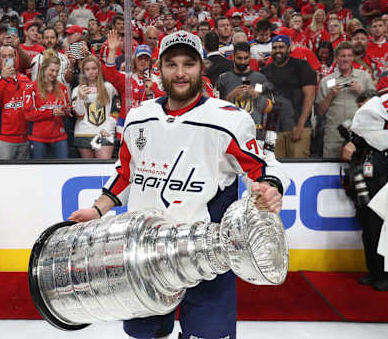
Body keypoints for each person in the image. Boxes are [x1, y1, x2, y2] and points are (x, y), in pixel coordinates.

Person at [69, 30, 289, 339]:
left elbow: (263, 167)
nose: (181, 72)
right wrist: (98, 209)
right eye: (171, 64)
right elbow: (126, 174)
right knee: (146, 334)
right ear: (159, 69)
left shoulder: (228, 119)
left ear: (202, 67)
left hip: (206, 256)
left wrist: (269, 186)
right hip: (143, 256)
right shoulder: (139, 116)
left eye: (189, 64)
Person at [344, 86, 388, 291]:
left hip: (385, 184)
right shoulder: (360, 137)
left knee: (382, 232)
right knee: (367, 232)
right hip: (364, 188)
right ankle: (374, 271)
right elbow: (350, 156)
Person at [316, 41, 375, 158]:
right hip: (334, 136)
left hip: (360, 135)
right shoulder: (327, 81)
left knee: (357, 171)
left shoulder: (364, 77)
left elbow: (376, 107)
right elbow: (320, 112)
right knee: (329, 171)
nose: (346, 59)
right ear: (336, 58)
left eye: (349, 56)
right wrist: (330, 95)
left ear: (353, 58)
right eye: (342, 56)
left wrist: (361, 92)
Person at [262, 35, 317, 158]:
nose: (278, 51)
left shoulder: (302, 66)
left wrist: (300, 125)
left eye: (281, 47)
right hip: (273, 131)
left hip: (298, 127)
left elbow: (310, 97)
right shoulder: (265, 71)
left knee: (299, 169)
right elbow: (260, 99)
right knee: (275, 168)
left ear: (288, 49)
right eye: (275, 48)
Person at [23, 50, 71, 159]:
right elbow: (28, 114)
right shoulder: (31, 88)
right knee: (38, 171)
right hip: (38, 138)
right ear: (43, 69)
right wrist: (51, 112)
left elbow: (67, 109)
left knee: (62, 169)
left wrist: (66, 112)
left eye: (57, 71)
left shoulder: (62, 88)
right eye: (52, 70)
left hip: (59, 136)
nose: (54, 74)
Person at [0, 45, 31, 160]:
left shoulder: (25, 79)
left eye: (10, 56)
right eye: (4, 56)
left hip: (24, 137)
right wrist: (3, 79)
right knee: (3, 175)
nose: (7, 59)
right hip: (3, 139)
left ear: (16, 58)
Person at [72, 55, 117, 159]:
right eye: (87, 69)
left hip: (104, 132)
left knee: (104, 169)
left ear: (99, 70)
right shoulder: (77, 90)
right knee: (89, 170)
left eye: (94, 68)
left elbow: (117, 108)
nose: (91, 72)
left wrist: (110, 126)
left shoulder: (109, 87)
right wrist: (80, 98)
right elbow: (79, 114)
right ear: (83, 71)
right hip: (83, 133)